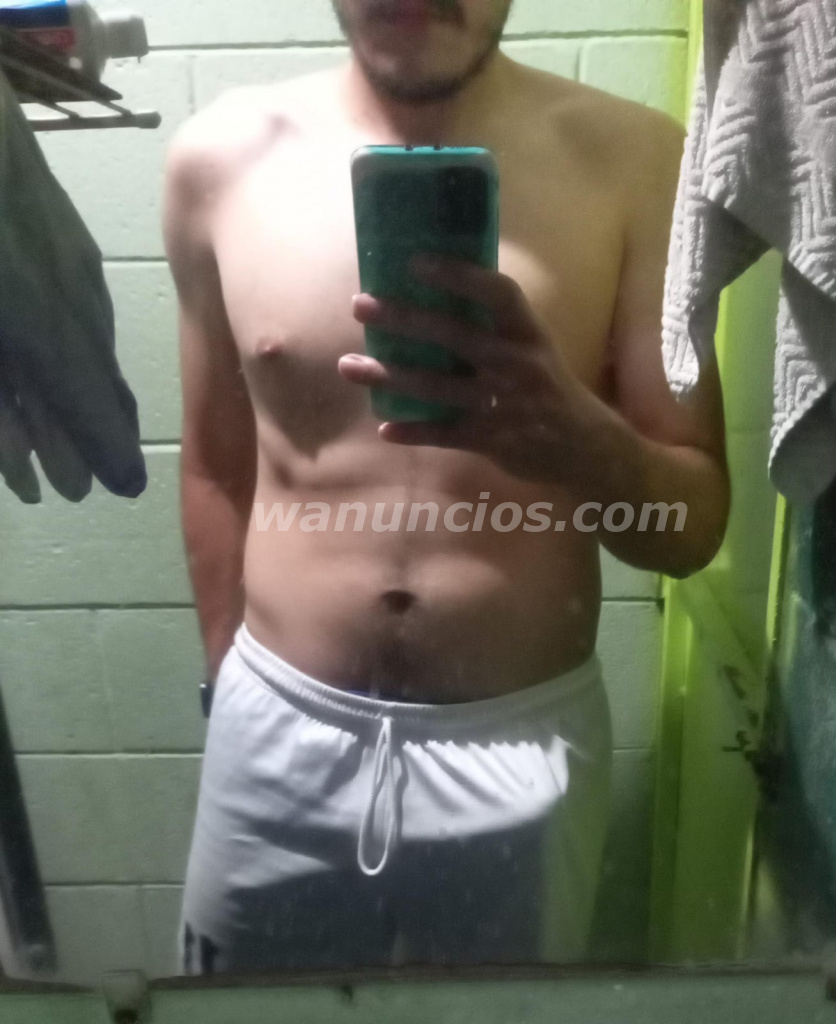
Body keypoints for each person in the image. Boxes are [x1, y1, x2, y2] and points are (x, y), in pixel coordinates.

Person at [163, 0, 731, 976]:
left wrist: (590, 450)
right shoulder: (215, 161)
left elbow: (692, 528)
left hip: (519, 748)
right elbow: (215, 466)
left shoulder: (639, 163)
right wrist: (233, 694)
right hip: (272, 737)